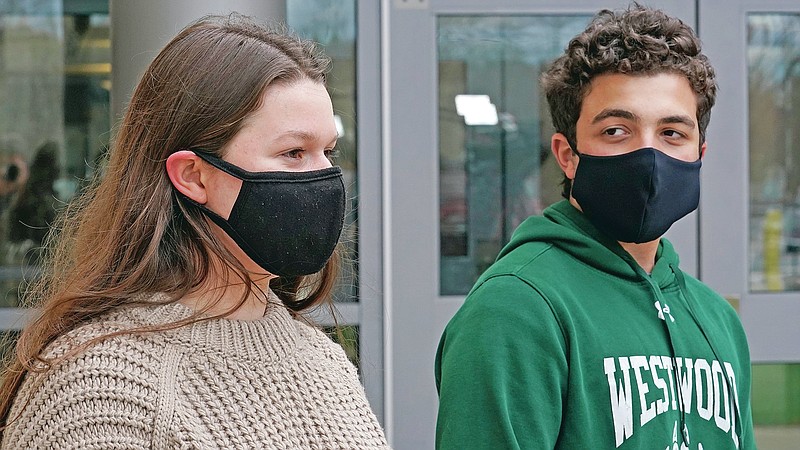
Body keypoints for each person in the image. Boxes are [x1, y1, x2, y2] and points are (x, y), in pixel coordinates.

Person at [0, 14, 388, 449]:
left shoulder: (323, 359)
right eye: (294, 152)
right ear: (194, 176)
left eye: (328, 152)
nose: (326, 177)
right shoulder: (98, 392)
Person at [435, 4, 755, 449]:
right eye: (616, 131)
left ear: (700, 154)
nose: (648, 156)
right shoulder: (516, 309)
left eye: (672, 133)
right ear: (567, 155)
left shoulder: (717, 320)